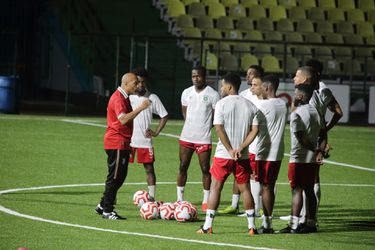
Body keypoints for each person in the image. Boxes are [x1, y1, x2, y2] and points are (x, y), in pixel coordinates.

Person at [196, 73, 259, 235]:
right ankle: (252, 227)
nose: (221, 88)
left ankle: (208, 226)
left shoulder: (221, 104)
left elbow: (218, 128)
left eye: (223, 85)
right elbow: (255, 130)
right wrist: (241, 147)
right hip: (242, 156)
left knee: (215, 187)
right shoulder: (250, 105)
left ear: (230, 87)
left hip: (224, 155)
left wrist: (230, 149)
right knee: (245, 189)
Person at [95, 73, 150, 220]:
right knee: (115, 176)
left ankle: (102, 205)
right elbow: (124, 119)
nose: (138, 85)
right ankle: (107, 210)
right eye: (135, 83)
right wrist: (141, 108)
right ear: (126, 83)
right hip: (116, 142)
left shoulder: (124, 97)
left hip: (122, 142)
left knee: (120, 176)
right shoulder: (118, 98)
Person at [219, 65, 264, 215]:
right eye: (247, 73)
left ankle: (259, 209)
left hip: (248, 147)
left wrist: (236, 147)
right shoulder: (245, 95)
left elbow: (220, 128)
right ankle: (240, 210)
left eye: (252, 74)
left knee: (254, 179)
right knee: (243, 181)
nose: (249, 76)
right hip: (243, 147)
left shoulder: (262, 97)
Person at [279, 83, 323, 233]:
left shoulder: (296, 114)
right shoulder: (316, 112)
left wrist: (315, 148)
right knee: (309, 190)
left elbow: (300, 137)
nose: (294, 95)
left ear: (301, 95)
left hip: (298, 158)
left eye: (296, 93)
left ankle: (293, 225)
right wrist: (319, 151)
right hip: (311, 160)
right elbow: (323, 133)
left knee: (296, 190)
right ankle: (310, 223)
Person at [177, 66, 220, 212]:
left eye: (198, 76)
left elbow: (216, 115)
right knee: (183, 166)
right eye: (193, 76)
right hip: (186, 136)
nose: (196, 78)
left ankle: (205, 200)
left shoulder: (213, 94)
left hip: (203, 138)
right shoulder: (186, 92)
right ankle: (179, 199)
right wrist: (191, 124)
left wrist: (205, 126)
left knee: (205, 168)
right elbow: (184, 111)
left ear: (204, 77)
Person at [255, 75, 288, 234]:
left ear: (267, 88)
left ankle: (267, 224)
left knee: (265, 187)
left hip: (264, 152)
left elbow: (253, 128)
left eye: (261, 87)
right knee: (270, 185)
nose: (259, 89)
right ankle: (267, 220)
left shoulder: (263, 105)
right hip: (278, 152)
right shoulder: (283, 103)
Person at [129, 68, 168, 200]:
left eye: (143, 82)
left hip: (144, 141)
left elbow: (164, 115)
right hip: (128, 141)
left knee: (149, 169)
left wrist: (156, 132)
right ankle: (113, 196)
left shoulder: (152, 98)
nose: (140, 85)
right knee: (121, 169)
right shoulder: (129, 97)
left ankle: (151, 198)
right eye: (138, 82)